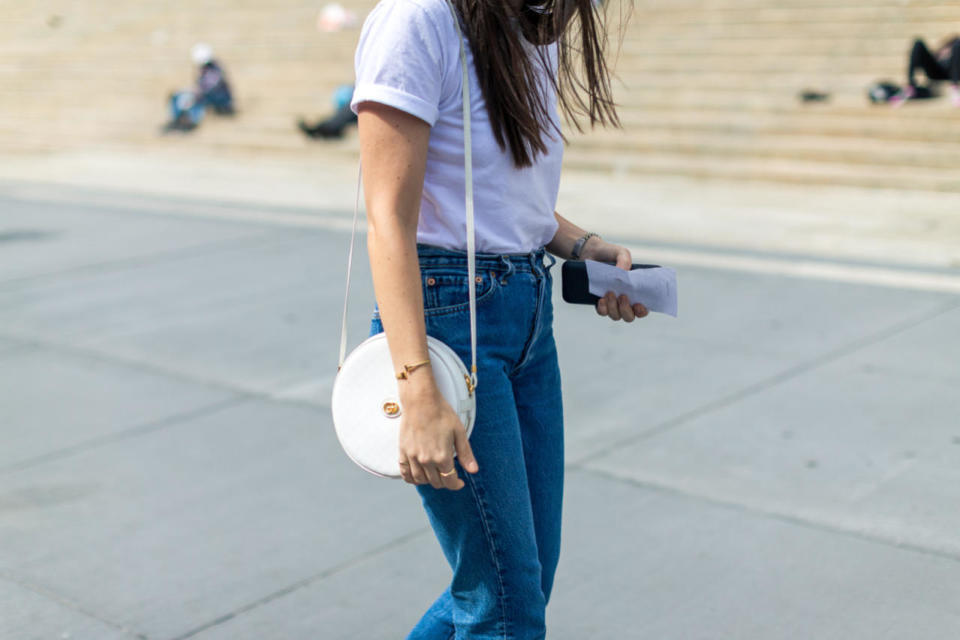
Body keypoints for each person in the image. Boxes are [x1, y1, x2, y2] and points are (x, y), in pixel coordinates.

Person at [351, 0, 647, 636]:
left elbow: (504, 199)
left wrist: (582, 245)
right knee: (507, 606)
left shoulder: (529, 24)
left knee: (520, 582)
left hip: (526, 315)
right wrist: (417, 387)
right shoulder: (417, 19)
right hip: (446, 324)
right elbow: (388, 220)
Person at [163, 43, 235, 132]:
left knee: (194, 99)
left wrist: (192, 93)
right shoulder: (207, 69)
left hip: (219, 99)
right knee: (178, 96)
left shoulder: (213, 70)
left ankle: (189, 122)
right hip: (210, 96)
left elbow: (206, 89)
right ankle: (178, 119)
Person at [891, 35, 960, 106]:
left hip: (953, 73)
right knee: (918, 43)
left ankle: (955, 88)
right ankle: (910, 87)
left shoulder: (956, 48)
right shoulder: (942, 52)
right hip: (936, 72)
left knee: (958, 43)